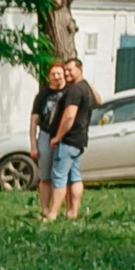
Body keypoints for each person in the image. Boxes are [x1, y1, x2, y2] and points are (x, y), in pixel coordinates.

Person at [44, 56, 95, 222]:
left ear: (79, 69)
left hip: (68, 140)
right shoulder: (85, 88)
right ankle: (72, 213)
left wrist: (58, 137)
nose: (66, 73)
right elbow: (99, 100)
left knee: (59, 176)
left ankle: (52, 214)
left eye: (69, 70)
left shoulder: (74, 90)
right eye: (65, 70)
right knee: (75, 177)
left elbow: (69, 116)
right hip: (80, 140)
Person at [31, 61, 64, 210]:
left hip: (65, 138)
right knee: (45, 176)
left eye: (59, 73)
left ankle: (58, 209)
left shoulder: (70, 92)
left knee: (62, 176)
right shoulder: (42, 95)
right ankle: (45, 209)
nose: (56, 77)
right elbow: (33, 121)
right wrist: (33, 145)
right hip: (46, 136)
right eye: (53, 74)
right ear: (49, 76)